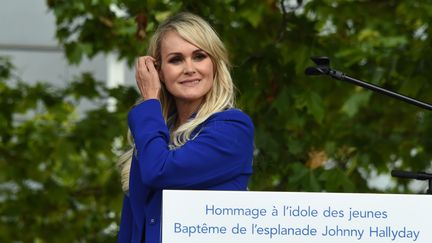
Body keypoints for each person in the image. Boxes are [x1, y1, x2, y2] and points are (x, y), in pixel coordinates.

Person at [116, 12, 254, 243]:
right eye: (176, 59)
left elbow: (159, 172)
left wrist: (150, 100)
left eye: (199, 56)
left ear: (215, 65)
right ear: (158, 71)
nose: (189, 68)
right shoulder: (153, 132)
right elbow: (131, 229)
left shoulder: (232, 129)